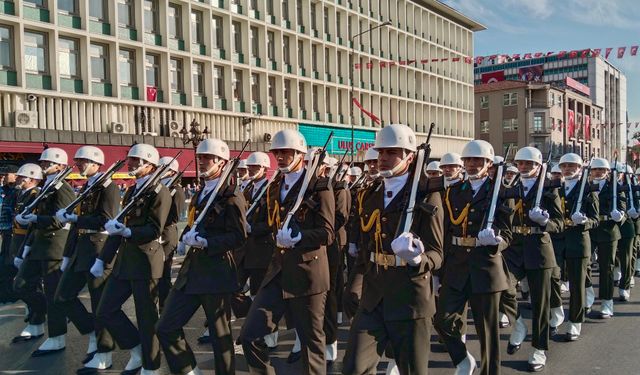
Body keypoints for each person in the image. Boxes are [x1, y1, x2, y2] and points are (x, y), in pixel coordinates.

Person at [342, 124, 444, 375]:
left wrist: (417, 258)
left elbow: (437, 254)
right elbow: (367, 248)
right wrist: (354, 284)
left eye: (392, 152)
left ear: (410, 156)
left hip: (409, 298)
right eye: (381, 152)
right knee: (354, 367)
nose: (383, 158)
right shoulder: (370, 192)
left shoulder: (425, 194)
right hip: (374, 296)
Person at [239, 129, 335, 375]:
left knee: (311, 345)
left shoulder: (317, 186)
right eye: (277, 153)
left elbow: (327, 232)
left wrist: (300, 237)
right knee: (249, 335)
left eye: (286, 152)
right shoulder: (274, 187)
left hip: (308, 273)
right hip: (278, 270)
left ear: (300, 155)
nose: (280, 157)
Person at [156, 139, 247, 375]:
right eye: (201, 157)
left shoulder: (231, 195)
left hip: (216, 271)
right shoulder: (200, 193)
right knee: (166, 326)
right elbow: (193, 224)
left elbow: (239, 236)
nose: (203, 161)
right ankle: (188, 371)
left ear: (222, 162)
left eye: (208, 158)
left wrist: (208, 242)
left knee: (220, 336)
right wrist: (188, 236)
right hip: (192, 271)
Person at [434, 140, 514, 375]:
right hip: (456, 266)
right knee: (442, 321)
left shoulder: (502, 191)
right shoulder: (453, 192)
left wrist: (497, 241)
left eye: (477, 160)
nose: (471, 164)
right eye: (468, 160)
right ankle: (462, 360)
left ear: (489, 163)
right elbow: (447, 233)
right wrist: (439, 272)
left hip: (485, 268)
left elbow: (508, 233)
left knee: (487, 334)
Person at [93, 144, 171, 375]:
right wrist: (103, 259)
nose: (132, 164)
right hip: (125, 262)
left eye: (137, 161)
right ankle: (136, 349)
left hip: (147, 262)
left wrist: (128, 232)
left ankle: (151, 365)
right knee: (105, 310)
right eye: (131, 160)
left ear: (151, 165)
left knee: (147, 319)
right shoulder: (132, 191)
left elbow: (155, 229)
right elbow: (120, 227)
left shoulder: (159, 192)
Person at [52, 146, 121, 372]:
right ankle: (92, 332)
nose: (79, 164)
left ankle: (104, 353)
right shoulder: (88, 187)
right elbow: (76, 226)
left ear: (96, 163)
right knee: (63, 295)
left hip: (98, 248)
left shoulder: (107, 187)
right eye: (78, 160)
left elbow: (106, 220)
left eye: (84, 161)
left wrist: (75, 218)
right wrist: (67, 254)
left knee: (99, 302)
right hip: (81, 249)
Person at [503, 147, 563, 372]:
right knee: (501, 287)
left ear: (539, 166)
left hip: (539, 248)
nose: (524, 167)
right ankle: (518, 324)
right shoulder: (511, 187)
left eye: (529, 164)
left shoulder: (549, 189)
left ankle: (539, 349)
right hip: (515, 247)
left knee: (540, 304)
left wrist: (545, 222)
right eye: (521, 164)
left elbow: (559, 223)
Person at [12, 148, 76, 356]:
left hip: (53, 246)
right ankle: (38, 321)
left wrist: (36, 219)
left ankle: (57, 337)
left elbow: (61, 219)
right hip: (38, 245)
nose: (44, 165)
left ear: (61, 166)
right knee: (21, 285)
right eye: (44, 163)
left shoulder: (62, 188)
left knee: (53, 294)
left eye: (49, 163)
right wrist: (26, 246)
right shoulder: (47, 187)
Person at [553, 153, 599, 342]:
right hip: (557, 240)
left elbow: (595, 220)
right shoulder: (555, 188)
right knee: (553, 280)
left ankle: (575, 322)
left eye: (572, 166)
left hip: (578, 242)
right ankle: (556, 314)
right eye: (564, 166)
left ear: (580, 169)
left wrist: (585, 221)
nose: (568, 169)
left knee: (577, 285)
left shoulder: (589, 190)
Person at [589, 158, 625, 319]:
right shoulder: (586, 187)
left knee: (607, 267)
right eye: (595, 170)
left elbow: (623, 209)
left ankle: (606, 302)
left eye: (601, 170)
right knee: (583, 266)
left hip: (608, 229)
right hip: (589, 229)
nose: (598, 172)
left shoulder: (615, 187)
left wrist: (620, 216)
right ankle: (587, 297)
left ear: (607, 172)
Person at [157, 157, 186, 313]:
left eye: (163, 168)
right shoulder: (160, 187)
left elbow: (175, 215)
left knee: (164, 272)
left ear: (173, 172)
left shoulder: (177, 190)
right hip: (157, 232)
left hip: (167, 233)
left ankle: (165, 306)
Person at [0, 165, 19, 303]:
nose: (4, 177)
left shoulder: (16, 192)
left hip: (13, 233)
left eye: (7, 174)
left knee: (9, 265)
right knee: (4, 264)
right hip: (5, 232)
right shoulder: (6, 191)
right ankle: (6, 294)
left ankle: (10, 294)